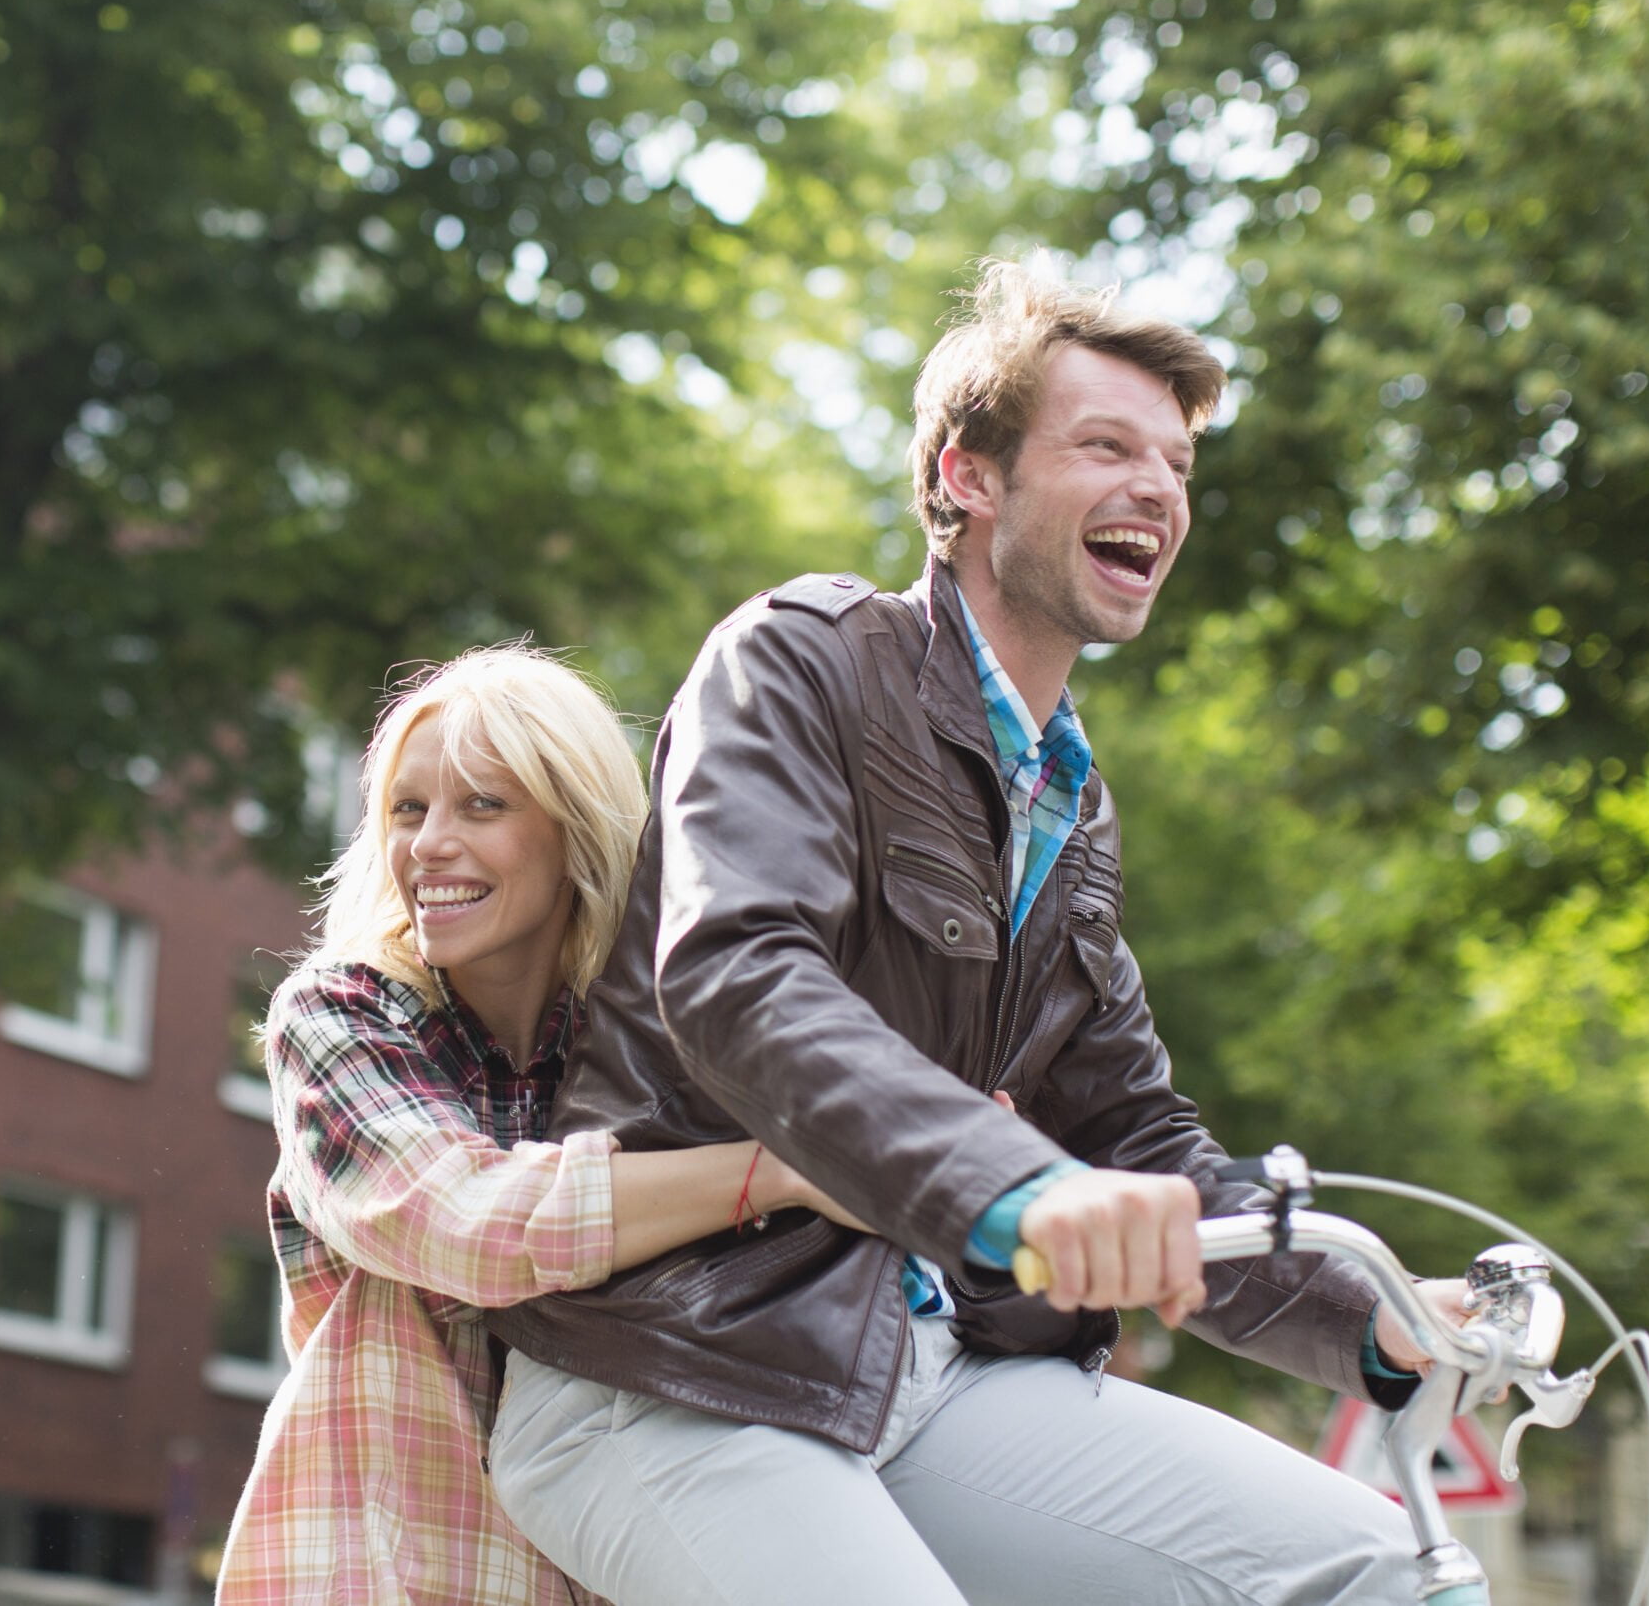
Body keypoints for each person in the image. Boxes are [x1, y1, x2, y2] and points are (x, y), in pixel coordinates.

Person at [486, 261, 1468, 1606]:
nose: (1162, 490)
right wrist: (1026, 1186)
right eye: (1107, 445)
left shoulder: (1071, 804)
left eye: (1178, 464)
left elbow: (1137, 1131)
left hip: (933, 1375)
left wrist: (1380, 1320)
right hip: (680, 1364)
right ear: (970, 477)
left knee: (1390, 1566)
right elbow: (741, 978)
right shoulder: (801, 660)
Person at [214, 646, 865, 1606]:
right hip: (377, 1573)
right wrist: (775, 1170)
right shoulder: (341, 1019)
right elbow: (459, 1220)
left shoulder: (656, 1050)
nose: (430, 842)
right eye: (408, 808)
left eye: (483, 805)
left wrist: (928, 1127)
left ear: (576, 831)